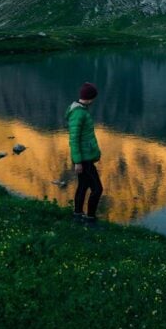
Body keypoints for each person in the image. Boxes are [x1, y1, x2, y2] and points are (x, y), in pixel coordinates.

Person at [67, 82, 103, 225]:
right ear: (89, 98)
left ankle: (77, 215)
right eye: (94, 97)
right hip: (84, 159)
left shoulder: (81, 110)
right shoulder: (79, 114)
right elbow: (73, 139)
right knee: (97, 189)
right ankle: (90, 219)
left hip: (84, 157)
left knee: (83, 186)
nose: (94, 100)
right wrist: (77, 162)